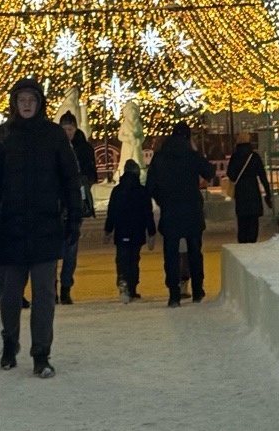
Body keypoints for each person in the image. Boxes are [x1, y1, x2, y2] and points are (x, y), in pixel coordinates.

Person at [0, 76, 79, 374]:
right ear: (14, 103)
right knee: (9, 294)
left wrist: (73, 217)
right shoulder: (1, 137)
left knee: (45, 295)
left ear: (39, 103)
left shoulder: (54, 136)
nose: (26, 105)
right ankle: (10, 341)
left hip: (46, 228)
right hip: (11, 228)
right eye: (21, 100)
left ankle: (41, 353)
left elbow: (70, 179)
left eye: (31, 100)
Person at [144, 121, 215, 305]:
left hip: (170, 211)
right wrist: (195, 151)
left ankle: (174, 294)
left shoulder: (160, 158)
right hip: (192, 210)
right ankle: (198, 290)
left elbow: (150, 187)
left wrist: (162, 199)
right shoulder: (191, 156)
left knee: (171, 253)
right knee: (194, 252)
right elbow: (209, 172)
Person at [57, 110, 96, 303]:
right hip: (56, 204)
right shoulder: (53, 146)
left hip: (74, 203)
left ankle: (65, 287)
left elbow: (92, 174)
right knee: (54, 249)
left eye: (70, 129)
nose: (67, 133)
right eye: (64, 129)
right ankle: (54, 288)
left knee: (71, 249)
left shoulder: (84, 148)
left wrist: (82, 181)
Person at [103, 158, 155, 300]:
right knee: (134, 258)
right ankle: (132, 287)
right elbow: (147, 213)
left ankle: (123, 280)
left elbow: (111, 212)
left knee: (122, 257)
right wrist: (151, 232)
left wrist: (108, 230)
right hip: (137, 229)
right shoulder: (142, 192)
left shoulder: (117, 191)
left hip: (122, 230)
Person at [227, 137, 269, 244]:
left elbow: (230, 175)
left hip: (240, 191)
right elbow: (262, 176)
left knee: (242, 220)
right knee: (253, 220)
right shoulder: (254, 157)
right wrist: (268, 193)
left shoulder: (235, 157)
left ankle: (243, 242)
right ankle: (252, 242)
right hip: (253, 190)